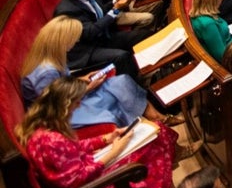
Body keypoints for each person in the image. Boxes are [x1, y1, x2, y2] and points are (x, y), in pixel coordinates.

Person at [16, 77, 178, 188]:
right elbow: (77, 180)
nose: (78, 106)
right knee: (154, 141)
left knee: (155, 132)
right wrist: (115, 151)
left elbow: (73, 149)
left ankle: (172, 168)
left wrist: (106, 139)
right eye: (77, 102)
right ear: (65, 105)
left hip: (86, 171)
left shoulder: (40, 127)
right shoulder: (52, 140)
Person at [21, 16, 172, 129]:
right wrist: (88, 88)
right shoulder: (46, 72)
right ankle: (152, 124)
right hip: (61, 114)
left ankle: (156, 117)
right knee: (112, 96)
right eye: (73, 39)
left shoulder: (52, 57)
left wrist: (82, 79)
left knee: (121, 81)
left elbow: (63, 84)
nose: (75, 43)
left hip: (70, 97)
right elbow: (54, 104)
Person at [53, 0, 152, 79]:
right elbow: (89, 32)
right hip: (87, 49)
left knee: (144, 35)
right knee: (121, 56)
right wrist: (115, 10)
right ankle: (136, 82)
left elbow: (99, 11)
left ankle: (151, 67)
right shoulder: (67, 10)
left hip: (103, 36)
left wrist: (116, 0)